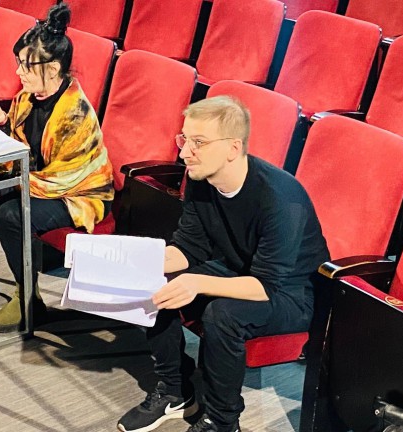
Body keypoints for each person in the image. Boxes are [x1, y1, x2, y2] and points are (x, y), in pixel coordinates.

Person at [117, 97, 329, 432]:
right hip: (239, 269)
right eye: (184, 139)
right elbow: (189, 246)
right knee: (155, 281)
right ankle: (175, 390)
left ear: (233, 148)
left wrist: (196, 283)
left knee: (223, 315)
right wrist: (141, 261)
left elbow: (267, 285)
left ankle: (222, 421)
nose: (185, 153)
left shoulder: (280, 198)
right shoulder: (200, 178)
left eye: (199, 143)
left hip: (293, 293)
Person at [0, 3, 114, 333]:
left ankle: (28, 298)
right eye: (18, 63)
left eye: (26, 66)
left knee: (11, 213)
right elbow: (20, 150)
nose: (18, 72)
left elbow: (60, 180)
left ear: (54, 68)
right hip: (35, 181)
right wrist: (0, 123)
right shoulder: (26, 97)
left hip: (77, 195)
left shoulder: (76, 114)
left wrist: (0, 190)